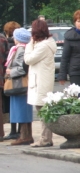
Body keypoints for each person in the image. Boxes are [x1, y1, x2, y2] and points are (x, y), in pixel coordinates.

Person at [24, 19, 57, 147]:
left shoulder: (43, 46)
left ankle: (45, 139)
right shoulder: (46, 44)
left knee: (42, 110)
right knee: (43, 110)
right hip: (42, 80)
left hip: (41, 81)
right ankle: (46, 138)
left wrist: (29, 44)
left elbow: (28, 59)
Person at [5, 28, 34, 145]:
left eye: (15, 36)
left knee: (22, 110)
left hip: (20, 84)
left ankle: (25, 136)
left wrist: (10, 72)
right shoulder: (18, 48)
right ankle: (25, 135)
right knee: (21, 110)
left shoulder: (20, 49)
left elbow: (22, 67)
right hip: (19, 84)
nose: (13, 38)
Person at [2, 21, 21, 140]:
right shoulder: (22, 46)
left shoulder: (6, 44)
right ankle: (21, 130)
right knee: (20, 103)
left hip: (10, 77)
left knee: (11, 104)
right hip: (21, 79)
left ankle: (13, 130)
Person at [58, 10, 80, 86]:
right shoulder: (69, 37)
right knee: (77, 96)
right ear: (75, 22)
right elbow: (65, 57)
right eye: (78, 21)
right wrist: (62, 75)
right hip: (76, 72)